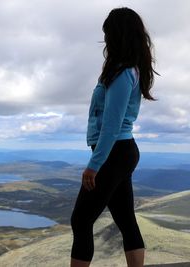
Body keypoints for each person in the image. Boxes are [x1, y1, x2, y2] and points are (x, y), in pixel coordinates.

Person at [70, 7, 159, 267]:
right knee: (125, 218)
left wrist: (94, 165)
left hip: (115, 152)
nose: (106, 40)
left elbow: (111, 125)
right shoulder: (126, 70)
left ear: (118, 35)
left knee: (81, 219)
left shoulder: (122, 74)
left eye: (108, 33)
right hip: (120, 151)